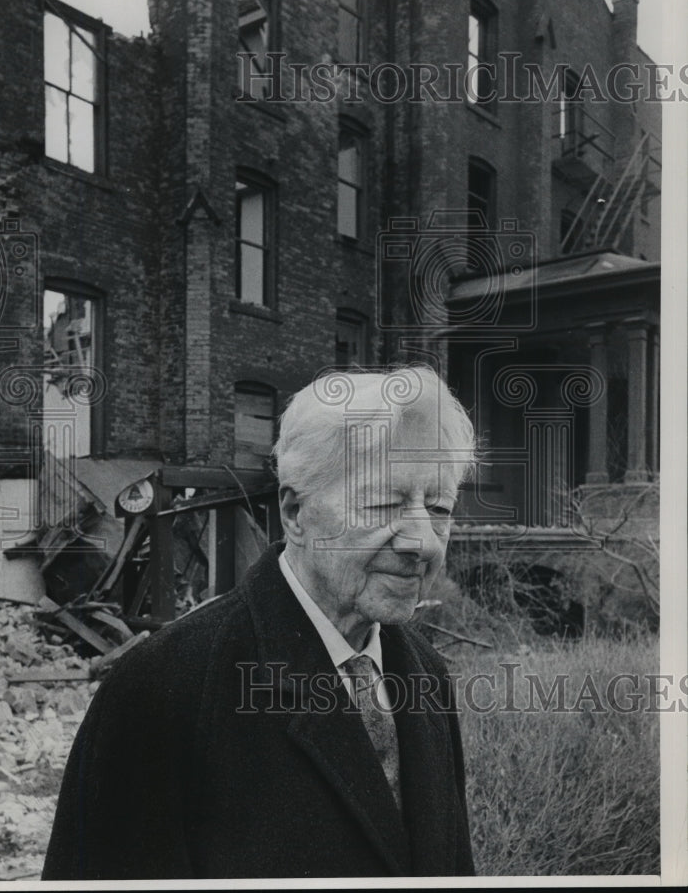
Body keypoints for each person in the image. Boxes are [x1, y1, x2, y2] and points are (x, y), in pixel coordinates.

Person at [42, 365, 476, 879]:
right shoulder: (162, 688)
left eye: (439, 507)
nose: (422, 541)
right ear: (294, 513)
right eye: (384, 502)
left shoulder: (426, 676)